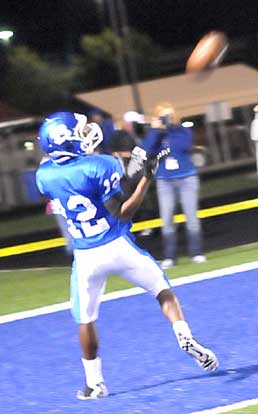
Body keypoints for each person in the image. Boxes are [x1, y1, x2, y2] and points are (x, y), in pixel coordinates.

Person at [36, 111, 218, 400]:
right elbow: (122, 211)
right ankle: (183, 333)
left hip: (86, 256)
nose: (87, 134)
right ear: (68, 140)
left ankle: (94, 384)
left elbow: (90, 186)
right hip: (118, 245)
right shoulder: (101, 164)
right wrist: (145, 178)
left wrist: (126, 174)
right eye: (80, 132)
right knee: (162, 290)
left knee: (85, 319)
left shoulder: (44, 175)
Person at [143, 102, 206, 269]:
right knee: (167, 219)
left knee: (191, 216)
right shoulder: (155, 134)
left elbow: (184, 146)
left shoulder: (183, 130)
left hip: (187, 178)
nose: (167, 119)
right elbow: (147, 150)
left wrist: (171, 128)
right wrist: (157, 130)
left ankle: (196, 252)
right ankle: (170, 256)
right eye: (163, 115)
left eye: (169, 115)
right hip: (165, 181)